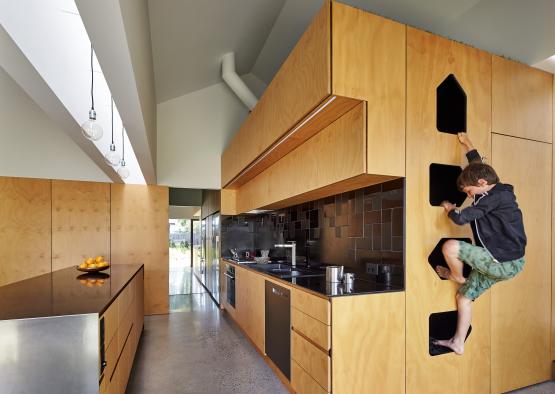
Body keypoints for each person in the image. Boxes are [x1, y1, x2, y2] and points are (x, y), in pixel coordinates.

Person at [434, 132, 526, 355]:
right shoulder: (491, 186)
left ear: (482, 184)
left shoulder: (494, 199)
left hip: (501, 261)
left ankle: (457, 276)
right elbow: (477, 163)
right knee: (463, 297)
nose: (469, 195)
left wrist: (449, 209)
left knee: (450, 247)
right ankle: (458, 342)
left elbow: (461, 218)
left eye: (469, 191)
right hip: (506, 264)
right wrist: (467, 143)